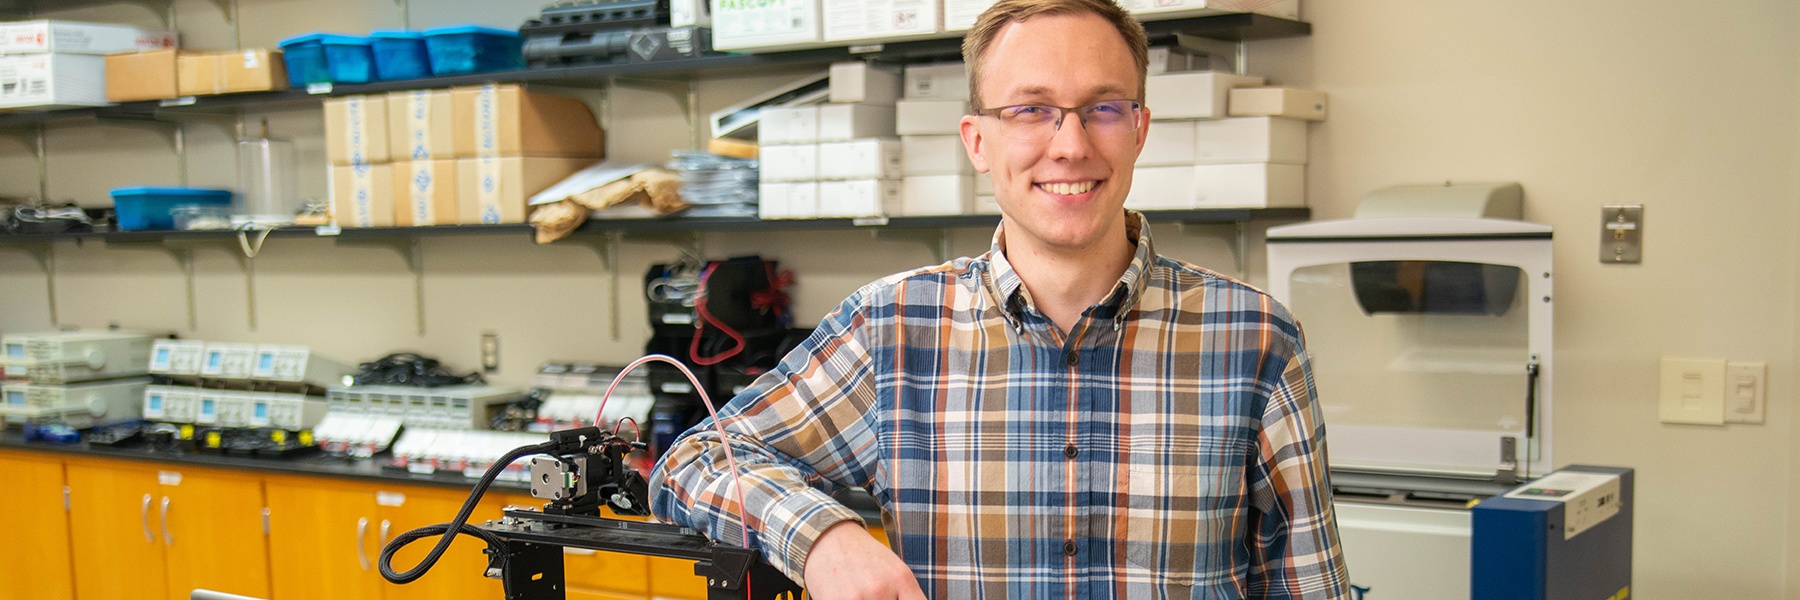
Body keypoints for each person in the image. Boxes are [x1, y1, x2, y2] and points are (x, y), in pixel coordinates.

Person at [649, 0, 1349, 597]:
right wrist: (823, 536)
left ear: (1139, 128)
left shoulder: (1255, 337)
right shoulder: (893, 329)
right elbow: (696, 460)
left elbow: (1310, 585)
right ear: (978, 141)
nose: (1069, 145)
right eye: (1031, 109)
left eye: (1102, 108)